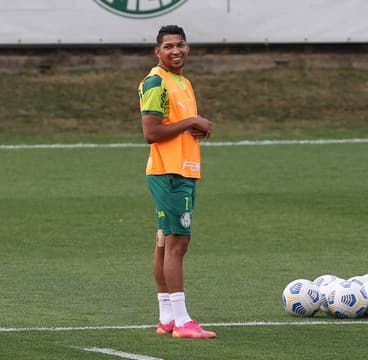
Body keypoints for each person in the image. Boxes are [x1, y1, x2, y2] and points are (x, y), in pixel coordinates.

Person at [138, 25, 216, 339]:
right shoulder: (156, 81)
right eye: (168, 46)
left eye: (180, 45)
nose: (176, 51)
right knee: (177, 243)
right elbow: (151, 133)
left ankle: (167, 317)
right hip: (170, 173)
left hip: (182, 169)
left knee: (165, 241)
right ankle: (183, 322)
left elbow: (175, 126)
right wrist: (191, 122)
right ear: (157, 52)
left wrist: (194, 127)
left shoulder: (182, 82)